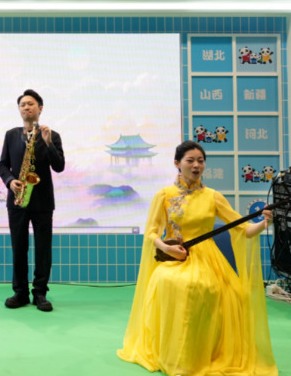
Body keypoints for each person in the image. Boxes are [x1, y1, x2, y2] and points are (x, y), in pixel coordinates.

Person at [118, 140, 277, 376]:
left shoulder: (213, 196)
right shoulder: (164, 195)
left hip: (209, 259)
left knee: (220, 290)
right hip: (175, 257)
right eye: (190, 160)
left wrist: (264, 223)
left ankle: (204, 353)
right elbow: (151, 233)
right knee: (175, 283)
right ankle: (174, 356)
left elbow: (243, 230)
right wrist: (168, 248)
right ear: (177, 163)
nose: (196, 165)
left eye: (200, 161)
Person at [0, 89, 65, 311]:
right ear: (19, 109)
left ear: (40, 108)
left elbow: (59, 166)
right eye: (23, 104)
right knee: (19, 247)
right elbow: (2, 165)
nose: (26, 107)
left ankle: (40, 293)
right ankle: (20, 292)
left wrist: (48, 143)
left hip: (42, 200)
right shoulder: (11, 135)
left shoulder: (52, 135)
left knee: (43, 249)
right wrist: (10, 181)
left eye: (31, 104)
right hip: (17, 200)